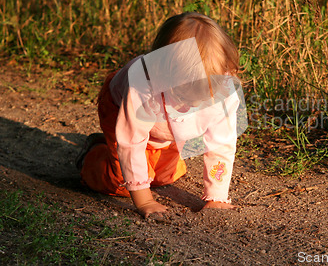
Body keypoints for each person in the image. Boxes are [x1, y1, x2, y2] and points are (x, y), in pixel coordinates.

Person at [76, 12, 245, 218]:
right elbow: (131, 141)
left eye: (206, 96)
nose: (199, 102)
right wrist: (144, 200)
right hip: (121, 112)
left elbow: (221, 144)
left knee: (164, 177)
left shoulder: (222, 87)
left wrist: (216, 196)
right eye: (188, 96)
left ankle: (143, 158)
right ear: (162, 74)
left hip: (168, 127)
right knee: (121, 183)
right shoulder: (142, 86)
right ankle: (93, 154)